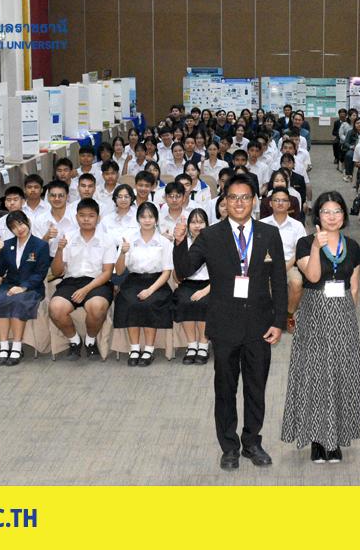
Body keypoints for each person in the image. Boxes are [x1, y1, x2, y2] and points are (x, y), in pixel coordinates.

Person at [172, 173, 287, 470]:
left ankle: (252, 442)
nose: (239, 203)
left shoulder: (268, 234)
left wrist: (278, 321)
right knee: (225, 390)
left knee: (255, 388)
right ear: (224, 201)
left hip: (259, 325)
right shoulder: (211, 236)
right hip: (224, 324)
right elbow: (184, 270)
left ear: (254, 201)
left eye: (245, 197)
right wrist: (180, 242)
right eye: (233, 197)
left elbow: (279, 281)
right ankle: (229, 447)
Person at [281, 192, 360, 463]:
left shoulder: (352, 246)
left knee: (340, 374)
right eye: (326, 211)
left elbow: (354, 286)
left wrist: (348, 316)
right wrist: (317, 247)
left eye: (337, 211)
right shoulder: (305, 243)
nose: (332, 216)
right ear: (317, 216)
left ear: (344, 216)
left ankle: (335, 438)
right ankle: (317, 439)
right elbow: (313, 276)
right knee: (315, 374)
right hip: (315, 313)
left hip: (343, 315)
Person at [49, 198, 118, 361]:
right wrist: (59, 250)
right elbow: (57, 271)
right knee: (56, 308)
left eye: (91, 216)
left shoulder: (107, 240)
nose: (86, 219)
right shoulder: (68, 237)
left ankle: (90, 341)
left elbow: (107, 273)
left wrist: (86, 290)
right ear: (76, 217)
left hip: (98, 282)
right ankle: (74, 341)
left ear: (98, 218)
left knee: (97, 306)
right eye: (82, 215)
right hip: (71, 281)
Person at [113, 202, 174, 367]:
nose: (147, 220)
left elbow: (167, 272)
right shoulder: (129, 239)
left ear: (156, 219)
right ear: (138, 219)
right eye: (143, 217)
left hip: (157, 282)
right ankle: (134, 348)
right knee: (129, 302)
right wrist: (123, 253)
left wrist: (150, 290)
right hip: (133, 280)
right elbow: (119, 271)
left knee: (149, 303)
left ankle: (149, 349)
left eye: (151, 217)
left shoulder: (164, 241)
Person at [0, 211, 51, 366]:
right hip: (9, 284)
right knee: (0, 300)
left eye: (21, 224)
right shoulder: (7, 244)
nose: (19, 229)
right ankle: (4, 347)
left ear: (28, 222)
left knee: (18, 301)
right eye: (14, 227)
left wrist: (23, 287)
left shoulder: (41, 245)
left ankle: (17, 347)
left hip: (32, 287)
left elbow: (40, 273)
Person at [259, 187, 306, 334]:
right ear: (270, 203)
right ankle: (268, 317)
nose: (280, 203)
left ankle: (289, 315)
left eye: (284, 200)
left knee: (296, 283)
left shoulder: (297, 225)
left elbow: (300, 250)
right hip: (266, 264)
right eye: (276, 200)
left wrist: (284, 267)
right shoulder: (261, 224)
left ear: (289, 204)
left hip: (289, 264)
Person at [173, 208, 212, 364]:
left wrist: (204, 291)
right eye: (193, 222)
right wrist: (178, 242)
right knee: (184, 301)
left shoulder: (214, 242)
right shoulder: (183, 241)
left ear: (207, 224)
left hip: (210, 285)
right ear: (188, 225)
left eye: (201, 222)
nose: (197, 226)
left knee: (204, 303)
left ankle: (203, 345)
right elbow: (178, 273)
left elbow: (221, 274)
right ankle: (191, 345)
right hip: (188, 283)